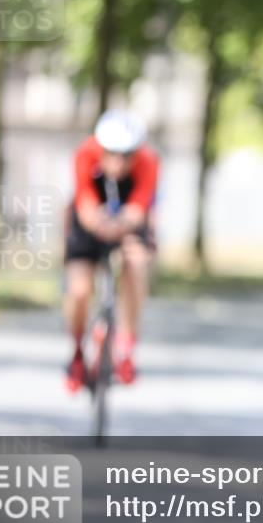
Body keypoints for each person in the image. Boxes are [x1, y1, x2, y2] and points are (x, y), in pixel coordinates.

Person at [63, 110, 159, 393]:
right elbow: (85, 202)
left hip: (127, 221)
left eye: (127, 155)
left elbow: (141, 205)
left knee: (137, 264)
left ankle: (126, 345)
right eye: (112, 154)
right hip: (91, 222)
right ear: (101, 149)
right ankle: (78, 351)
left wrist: (123, 226)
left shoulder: (149, 162)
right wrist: (98, 223)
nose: (119, 162)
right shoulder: (84, 155)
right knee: (79, 289)